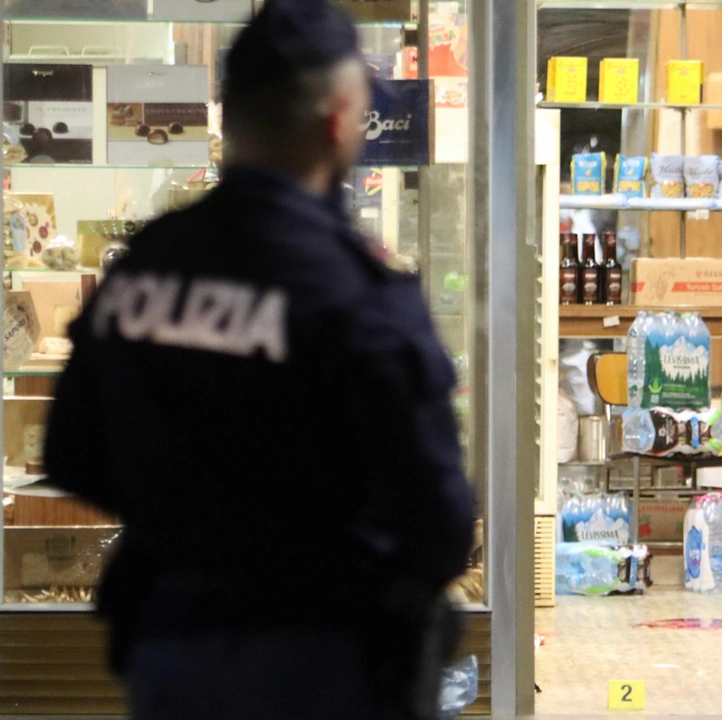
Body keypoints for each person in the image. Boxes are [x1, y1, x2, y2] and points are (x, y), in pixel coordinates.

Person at [42, 0, 476, 718]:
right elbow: (437, 519)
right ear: (341, 120)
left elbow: (72, 450)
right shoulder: (356, 290)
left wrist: (189, 525)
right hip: (319, 656)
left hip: (173, 640)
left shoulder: (150, 265)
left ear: (230, 114)